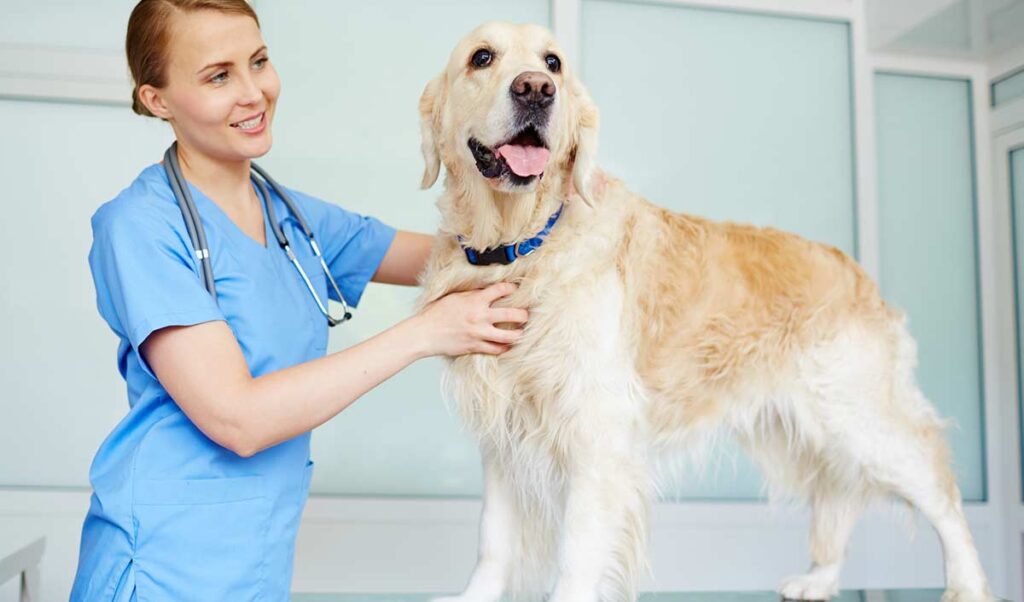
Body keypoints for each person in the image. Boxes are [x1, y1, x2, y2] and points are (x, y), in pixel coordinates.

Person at [69, 1, 528, 600]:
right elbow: (238, 419)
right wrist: (426, 332)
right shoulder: (138, 228)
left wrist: (545, 194)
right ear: (158, 100)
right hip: (158, 564)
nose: (253, 92)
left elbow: (464, 259)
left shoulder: (293, 221)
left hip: (256, 567)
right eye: (218, 75)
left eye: (258, 61)